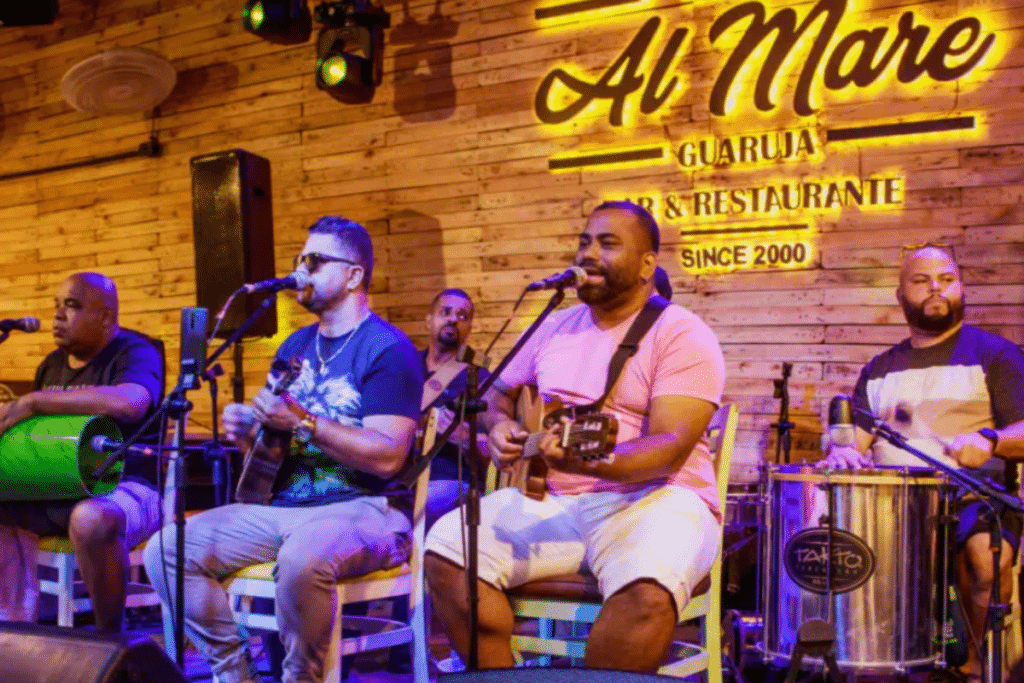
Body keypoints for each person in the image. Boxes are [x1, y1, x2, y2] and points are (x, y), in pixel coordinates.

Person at [424, 200, 726, 672]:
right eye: (584, 241)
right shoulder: (553, 325)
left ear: (648, 264)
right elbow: (495, 392)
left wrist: (580, 462)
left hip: (657, 499)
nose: (588, 253)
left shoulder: (683, 333)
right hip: (556, 503)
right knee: (447, 550)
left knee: (647, 593)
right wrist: (499, 424)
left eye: (608, 243)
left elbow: (668, 449)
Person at [143, 216, 423, 683]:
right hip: (284, 509)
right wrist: (248, 433)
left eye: (313, 261)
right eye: (298, 259)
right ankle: (234, 673)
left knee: (302, 558)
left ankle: (301, 679)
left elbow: (388, 456)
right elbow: (272, 454)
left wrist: (304, 422)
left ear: (354, 275)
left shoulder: (387, 349)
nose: (300, 270)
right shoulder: (295, 345)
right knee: (166, 549)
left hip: (366, 507)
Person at [824, 244, 1024, 680]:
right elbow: (854, 441)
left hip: (975, 498)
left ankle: (975, 669)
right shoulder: (880, 370)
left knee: (985, 561)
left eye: (946, 279)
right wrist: (843, 450)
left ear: (961, 288)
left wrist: (990, 440)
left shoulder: (996, 356)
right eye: (921, 280)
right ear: (901, 297)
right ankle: (878, 660)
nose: (936, 287)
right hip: (893, 510)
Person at [0, 272, 164, 632]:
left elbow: (129, 403)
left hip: (127, 487)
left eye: (71, 306)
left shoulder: (135, 352)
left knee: (91, 518)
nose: (58, 315)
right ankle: (14, 632)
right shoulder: (51, 364)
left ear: (105, 317)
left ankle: (110, 643)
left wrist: (33, 402)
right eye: (57, 305)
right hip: (60, 487)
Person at [420, 288, 490, 528]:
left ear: (469, 329)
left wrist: (463, 437)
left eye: (462, 316)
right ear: (429, 320)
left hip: (449, 481)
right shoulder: (404, 367)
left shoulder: (479, 378)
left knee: (419, 506)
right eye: (445, 312)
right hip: (399, 478)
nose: (453, 319)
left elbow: (495, 446)